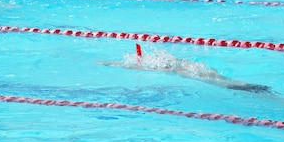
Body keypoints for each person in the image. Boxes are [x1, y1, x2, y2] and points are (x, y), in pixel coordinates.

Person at [103, 50, 271, 93]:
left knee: (227, 84)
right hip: (225, 79)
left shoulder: (178, 71)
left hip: (225, 85)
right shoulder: (186, 63)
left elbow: (138, 67)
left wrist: (113, 64)